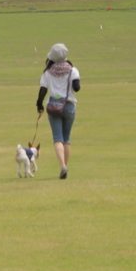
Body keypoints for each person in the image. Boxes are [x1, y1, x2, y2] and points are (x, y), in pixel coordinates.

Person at [36, 43, 81, 179]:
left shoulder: (48, 72)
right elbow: (77, 88)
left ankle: (62, 166)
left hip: (54, 107)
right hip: (69, 106)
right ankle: (64, 166)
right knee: (66, 139)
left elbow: (43, 90)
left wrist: (39, 105)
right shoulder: (73, 70)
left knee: (58, 139)